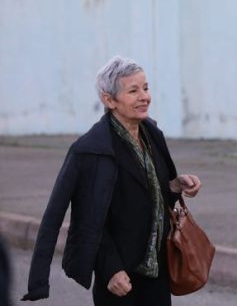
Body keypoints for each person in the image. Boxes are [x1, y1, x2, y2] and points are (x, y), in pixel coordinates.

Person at [22, 56, 203, 305]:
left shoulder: (152, 135)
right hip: (119, 277)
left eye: (146, 88)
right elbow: (87, 217)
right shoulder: (91, 150)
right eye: (133, 90)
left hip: (157, 270)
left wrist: (174, 186)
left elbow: (150, 195)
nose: (144, 97)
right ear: (109, 100)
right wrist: (109, 268)